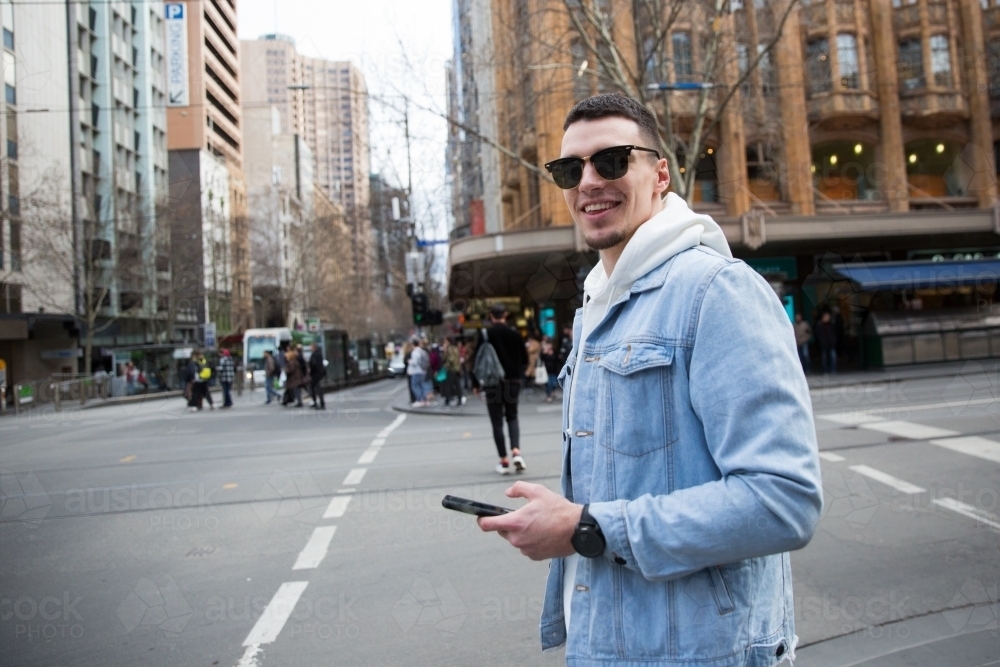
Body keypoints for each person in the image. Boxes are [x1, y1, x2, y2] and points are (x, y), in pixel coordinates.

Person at [476, 93, 822, 665]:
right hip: (608, 644)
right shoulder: (596, 306)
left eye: (611, 161)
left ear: (660, 174)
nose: (588, 182)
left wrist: (587, 527)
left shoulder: (717, 293)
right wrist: (568, 520)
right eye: (570, 169)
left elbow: (783, 500)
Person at [479, 303, 528, 474]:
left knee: (497, 421)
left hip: (492, 383)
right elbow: (524, 358)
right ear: (505, 315)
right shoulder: (515, 334)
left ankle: (504, 460)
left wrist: (475, 384)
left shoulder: (485, 334)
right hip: (513, 381)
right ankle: (516, 452)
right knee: (512, 417)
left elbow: (477, 360)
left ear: (491, 317)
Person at [441, 338, 465, 407]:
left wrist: (445, 365)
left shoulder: (449, 349)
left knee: (448, 385)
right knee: (457, 384)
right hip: (457, 369)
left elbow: (449, 359)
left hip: (451, 369)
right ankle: (459, 399)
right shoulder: (456, 348)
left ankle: (447, 399)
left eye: (445, 341)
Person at [406, 338, 429, 407]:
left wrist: (410, 361)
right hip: (423, 370)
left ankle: (420, 400)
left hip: (416, 371)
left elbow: (415, 362)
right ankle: (425, 400)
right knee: (422, 386)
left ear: (413, 344)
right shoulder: (423, 351)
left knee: (415, 386)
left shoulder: (415, 352)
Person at [308, 342, 326, 409]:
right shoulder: (319, 354)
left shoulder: (314, 355)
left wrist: (311, 371)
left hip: (315, 374)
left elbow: (313, 364)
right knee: (318, 388)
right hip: (319, 373)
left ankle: (317, 402)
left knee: (315, 388)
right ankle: (320, 402)